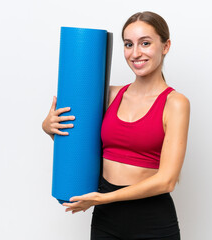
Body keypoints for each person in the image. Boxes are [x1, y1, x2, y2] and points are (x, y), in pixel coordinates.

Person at [42, 11, 190, 240]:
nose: (135, 53)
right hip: (105, 220)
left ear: (165, 46)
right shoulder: (108, 95)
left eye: (146, 43)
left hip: (152, 221)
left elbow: (167, 181)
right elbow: (79, 144)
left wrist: (103, 198)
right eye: (128, 44)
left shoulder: (175, 103)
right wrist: (49, 127)